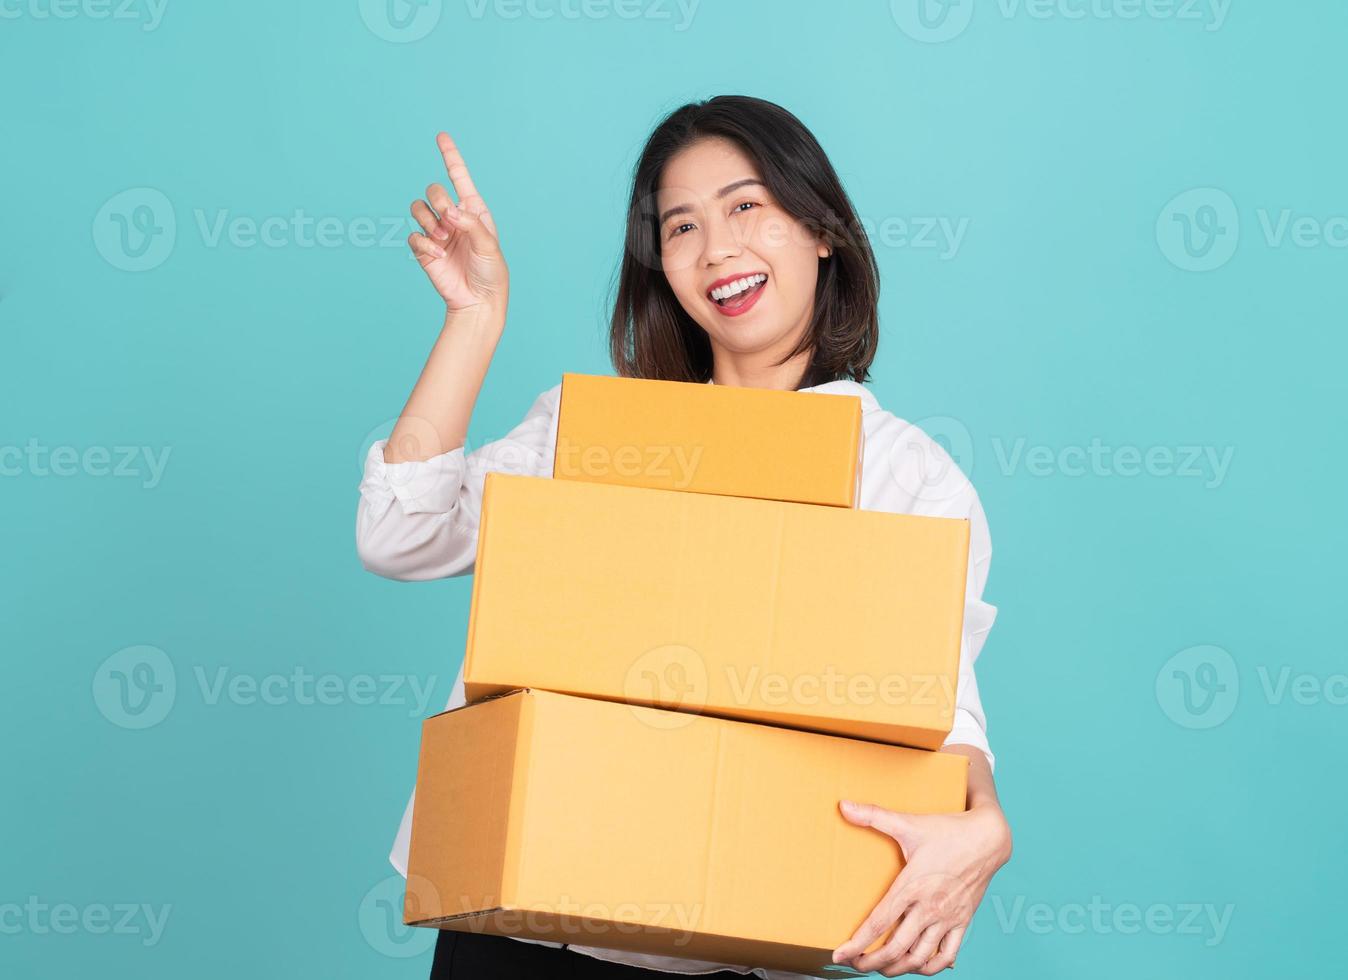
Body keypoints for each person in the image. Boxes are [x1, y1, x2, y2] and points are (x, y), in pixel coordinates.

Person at [356, 95, 1012, 980]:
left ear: (822, 230)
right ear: (660, 263)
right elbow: (400, 533)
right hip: (517, 928)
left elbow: (941, 716)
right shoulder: (593, 433)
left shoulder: (907, 478)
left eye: (748, 207)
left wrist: (982, 821)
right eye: (681, 227)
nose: (718, 250)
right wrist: (473, 320)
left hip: (730, 947)